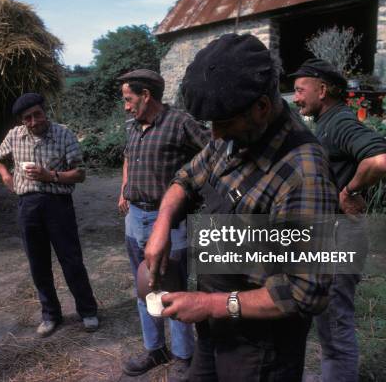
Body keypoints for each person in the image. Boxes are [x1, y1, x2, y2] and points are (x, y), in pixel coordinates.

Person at [142, 34, 339, 381]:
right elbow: (185, 178)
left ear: (261, 107)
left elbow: (307, 291)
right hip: (214, 325)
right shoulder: (233, 136)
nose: (215, 135)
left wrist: (210, 304)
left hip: (260, 348)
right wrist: (162, 226)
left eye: (223, 124)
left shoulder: (303, 173)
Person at [292, 58, 386, 382]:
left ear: (322, 90)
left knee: (336, 327)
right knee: (328, 320)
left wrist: (348, 191)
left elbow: (381, 160)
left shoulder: (338, 122)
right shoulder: (327, 121)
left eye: (299, 90)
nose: (295, 98)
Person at [117, 69, 210, 380]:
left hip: (169, 220)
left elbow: (213, 155)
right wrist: (124, 189)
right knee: (144, 287)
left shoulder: (181, 123)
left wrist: (194, 195)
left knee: (173, 287)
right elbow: (128, 158)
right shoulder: (133, 126)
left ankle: (185, 355)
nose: (126, 106)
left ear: (146, 95)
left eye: (129, 99)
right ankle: (155, 349)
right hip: (135, 218)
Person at [0, 93, 98, 337]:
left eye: (37, 114)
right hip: (27, 206)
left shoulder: (63, 134)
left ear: (45, 111)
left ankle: (88, 311)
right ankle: (50, 315)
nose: (33, 121)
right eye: (27, 118)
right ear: (22, 120)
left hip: (58, 204)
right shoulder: (14, 136)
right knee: (38, 264)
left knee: (71, 260)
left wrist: (50, 176)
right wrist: (6, 177)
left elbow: (80, 173)